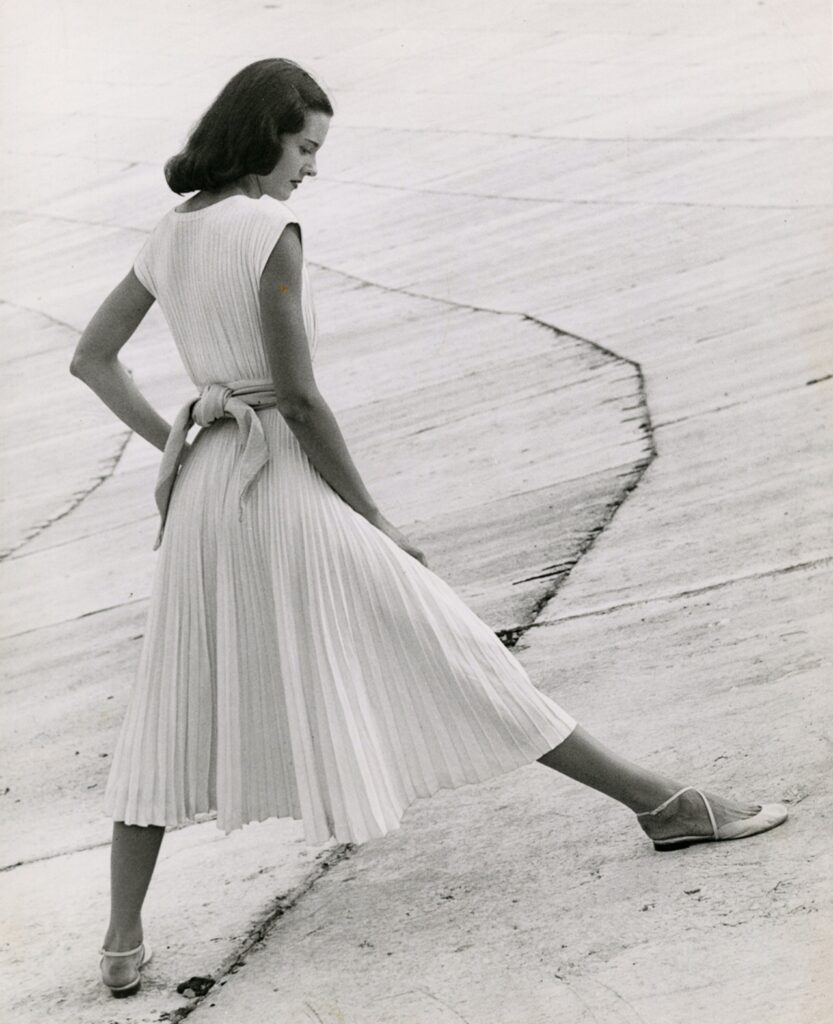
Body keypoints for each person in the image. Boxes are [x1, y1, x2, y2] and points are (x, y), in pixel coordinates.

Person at [70, 58, 788, 998]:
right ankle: (663, 804)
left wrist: (183, 438)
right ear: (265, 136)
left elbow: (92, 359)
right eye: (306, 146)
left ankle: (121, 943)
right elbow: (296, 396)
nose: (312, 168)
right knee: (450, 645)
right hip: (280, 479)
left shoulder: (170, 233)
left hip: (206, 485)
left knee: (171, 702)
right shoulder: (267, 229)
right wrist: (372, 516)